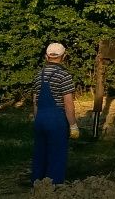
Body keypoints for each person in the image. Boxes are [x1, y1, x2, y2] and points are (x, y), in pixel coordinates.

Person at [31, 42, 79, 185]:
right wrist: (73, 125)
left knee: (40, 153)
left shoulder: (38, 75)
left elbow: (35, 102)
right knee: (57, 154)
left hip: (40, 118)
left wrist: (37, 120)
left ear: (46, 56)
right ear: (63, 57)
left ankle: (37, 183)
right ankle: (54, 186)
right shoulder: (64, 75)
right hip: (56, 119)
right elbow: (68, 103)